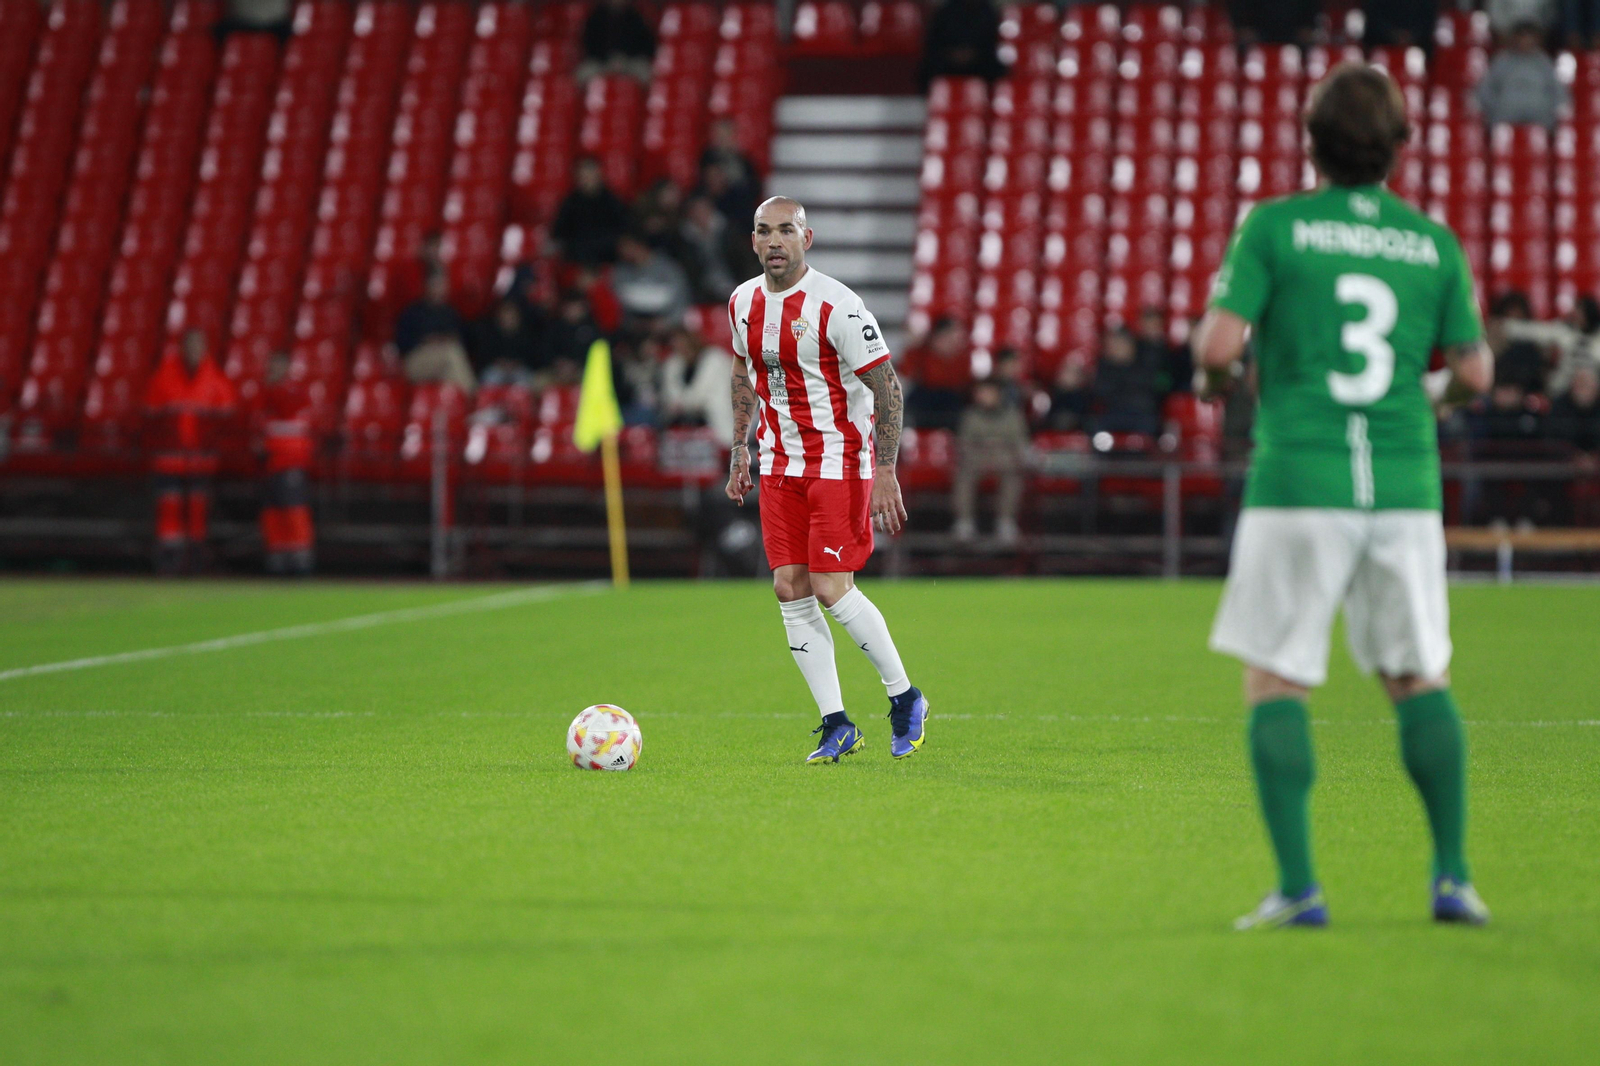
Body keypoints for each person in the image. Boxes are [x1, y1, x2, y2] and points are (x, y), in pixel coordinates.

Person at [1193, 64, 1495, 930]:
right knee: (1416, 674)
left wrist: (1217, 375)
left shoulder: (1277, 228)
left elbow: (1219, 343)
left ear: (1310, 141)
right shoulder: (1431, 242)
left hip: (1300, 478)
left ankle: (1299, 890)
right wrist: (1431, 398)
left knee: (1278, 678)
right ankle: (1454, 877)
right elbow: (1474, 370)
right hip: (1403, 483)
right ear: (1398, 147)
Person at [726, 196, 930, 763]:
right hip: (779, 463)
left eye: (785, 231)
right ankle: (836, 722)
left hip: (839, 462)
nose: (774, 241)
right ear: (753, 240)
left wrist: (885, 469)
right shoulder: (743, 302)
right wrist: (739, 448)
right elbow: (742, 371)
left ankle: (905, 696)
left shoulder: (838, 306)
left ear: (806, 240)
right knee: (788, 586)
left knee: (831, 587)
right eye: (764, 231)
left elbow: (888, 388)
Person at [143, 329, 238, 574]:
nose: (194, 352)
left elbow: (226, 421)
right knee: (169, 508)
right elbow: (150, 418)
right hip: (169, 459)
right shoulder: (164, 377)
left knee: (198, 509)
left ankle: (197, 560)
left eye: (199, 347)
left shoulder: (215, 381)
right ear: (182, 348)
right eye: (190, 346)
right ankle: (169, 559)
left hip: (201, 461)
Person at [255, 350, 315, 575]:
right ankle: (277, 555)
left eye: (279, 367)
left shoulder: (294, 392)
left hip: (290, 461)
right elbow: (258, 424)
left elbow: (284, 411)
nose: (274, 372)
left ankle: (300, 558)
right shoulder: (264, 393)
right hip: (270, 463)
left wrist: (270, 389)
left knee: (294, 510)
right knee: (273, 512)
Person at [952, 377, 1029, 547]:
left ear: (999, 394)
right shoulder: (970, 415)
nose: (983, 396)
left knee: (1014, 472)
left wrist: (998, 449)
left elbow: (1020, 445)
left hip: (1005, 460)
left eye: (988, 392)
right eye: (980, 392)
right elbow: (963, 445)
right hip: (976, 460)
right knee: (963, 471)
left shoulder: (1012, 415)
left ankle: (1006, 522)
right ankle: (965, 522)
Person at [395, 268, 476, 393]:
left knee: (451, 370)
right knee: (451, 353)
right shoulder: (413, 312)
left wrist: (443, 340)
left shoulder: (450, 313)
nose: (439, 288)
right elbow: (401, 343)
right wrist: (426, 341)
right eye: (435, 284)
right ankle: (474, 396)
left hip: (444, 363)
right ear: (427, 286)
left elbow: (461, 341)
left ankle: (459, 407)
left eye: (442, 284)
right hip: (415, 362)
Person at [1474, 21, 1568, 128]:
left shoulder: (1544, 61)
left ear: (1536, 39)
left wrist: (1549, 107)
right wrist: (1496, 107)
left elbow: (1559, 92)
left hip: (1540, 114)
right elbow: (1485, 89)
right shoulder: (1501, 60)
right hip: (1505, 113)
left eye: (1528, 37)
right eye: (1521, 36)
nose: (1525, 41)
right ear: (1514, 38)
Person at [549, 157, 631, 265]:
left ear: (599, 175)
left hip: (607, 257)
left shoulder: (613, 201)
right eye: (583, 176)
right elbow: (559, 233)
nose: (587, 180)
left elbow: (623, 230)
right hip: (578, 258)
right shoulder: (570, 203)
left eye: (590, 175)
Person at [660, 327, 735, 441]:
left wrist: (680, 404)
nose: (681, 348)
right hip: (689, 420)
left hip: (720, 416)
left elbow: (699, 398)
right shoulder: (674, 364)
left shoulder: (715, 359)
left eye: (684, 344)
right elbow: (670, 396)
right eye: (676, 345)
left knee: (716, 404)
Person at [899, 317, 973, 431]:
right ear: (937, 336)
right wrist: (914, 345)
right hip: (924, 398)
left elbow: (964, 383)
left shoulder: (962, 358)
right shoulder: (920, 352)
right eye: (948, 337)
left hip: (952, 400)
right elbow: (905, 372)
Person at [612, 233, 692, 333]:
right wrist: (633, 323)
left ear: (640, 245)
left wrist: (667, 322)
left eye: (628, 247)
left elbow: (682, 300)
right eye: (621, 249)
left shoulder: (668, 268)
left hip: (670, 327)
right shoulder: (621, 273)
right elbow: (620, 305)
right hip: (636, 330)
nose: (625, 252)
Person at [918, 0, 1005, 91]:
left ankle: (992, 100)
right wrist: (953, 54)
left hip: (979, 61)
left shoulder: (989, 12)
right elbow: (933, 43)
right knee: (929, 67)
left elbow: (993, 43)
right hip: (948, 60)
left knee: (997, 69)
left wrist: (973, 54)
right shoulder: (945, 11)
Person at [1092, 326, 1162, 436]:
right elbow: (1100, 392)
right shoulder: (1105, 366)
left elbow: (1154, 387)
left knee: (1151, 426)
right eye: (1114, 345)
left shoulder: (1145, 363)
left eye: (1121, 344)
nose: (1118, 348)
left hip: (1142, 413)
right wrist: (1116, 366)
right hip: (1114, 413)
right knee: (1097, 428)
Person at [577, 0, 656, 85]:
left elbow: (646, 45)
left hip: (629, 62)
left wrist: (623, 59)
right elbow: (589, 45)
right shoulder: (596, 17)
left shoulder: (636, 17)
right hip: (602, 62)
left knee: (646, 73)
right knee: (582, 74)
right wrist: (608, 60)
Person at [470, 298, 542, 387]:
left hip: (519, 370)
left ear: (517, 317)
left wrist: (517, 363)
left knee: (526, 382)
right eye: (505, 315)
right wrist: (499, 363)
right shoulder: (490, 333)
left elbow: (533, 358)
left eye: (511, 315)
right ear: (499, 317)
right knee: (489, 379)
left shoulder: (526, 334)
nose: (508, 318)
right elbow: (483, 357)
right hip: (497, 369)